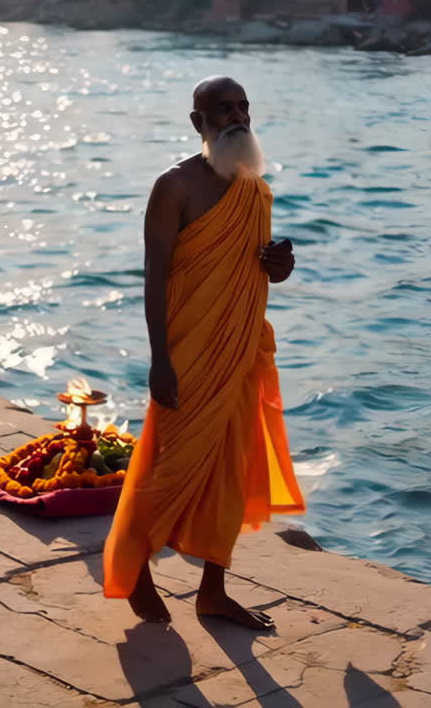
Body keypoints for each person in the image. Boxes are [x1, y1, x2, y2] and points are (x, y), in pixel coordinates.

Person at [102, 76, 306, 630]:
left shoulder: (255, 187)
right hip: (187, 351)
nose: (237, 116)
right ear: (198, 122)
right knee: (171, 467)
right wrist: (158, 359)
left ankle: (212, 591)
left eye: (243, 106)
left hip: (240, 346)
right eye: (222, 109)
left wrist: (278, 267)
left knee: (232, 471)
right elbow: (155, 273)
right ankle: (135, 562)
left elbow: (258, 265)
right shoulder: (174, 186)